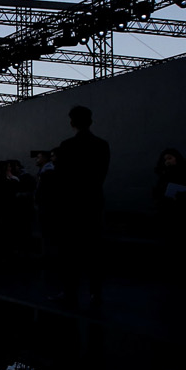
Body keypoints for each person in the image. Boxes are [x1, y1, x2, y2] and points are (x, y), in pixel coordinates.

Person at [54, 105, 110, 302]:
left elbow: (61, 178)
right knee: (94, 248)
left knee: (70, 250)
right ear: (91, 121)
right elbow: (102, 174)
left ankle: (70, 291)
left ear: (72, 123)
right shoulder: (102, 145)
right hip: (93, 201)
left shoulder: (66, 146)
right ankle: (95, 291)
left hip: (71, 204)